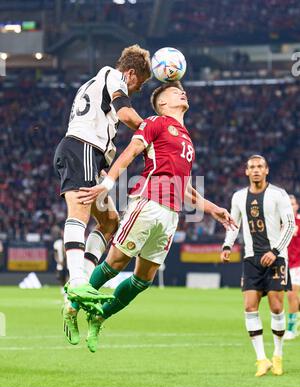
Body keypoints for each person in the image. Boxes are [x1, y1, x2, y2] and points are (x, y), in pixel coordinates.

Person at [69, 81, 237, 352]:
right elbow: (130, 153)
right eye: (174, 92)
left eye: (181, 91)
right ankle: (72, 304)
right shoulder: (155, 122)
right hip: (148, 203)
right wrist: (108, 184)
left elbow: (185, 189)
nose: (182, 92)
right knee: (115, 263)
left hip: (172, 214)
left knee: (143, 280)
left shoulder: (186, 138)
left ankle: (99, 316)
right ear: (162, 104)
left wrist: (213, 208)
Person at [53, 45, 152, 344]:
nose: (136, 89)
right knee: (80, 211)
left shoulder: (97, 82)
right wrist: (152, 128)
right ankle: (79, 281)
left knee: (110, 222)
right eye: (140, 83)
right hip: (83, 147)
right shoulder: (113, 76)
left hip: (91, 156)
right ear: (131, 72)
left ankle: (80, 281)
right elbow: (124, 112)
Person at [221, 155, 295, 377]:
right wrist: (227, 244)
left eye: (259, 167)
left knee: (275, 307)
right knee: (250, 307)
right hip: (252, 259)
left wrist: (275, 251)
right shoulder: (238, 197)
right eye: (252, 167)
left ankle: (278, 355)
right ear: (246, 171)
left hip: (276, 258)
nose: (255, 170)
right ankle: (261, 359)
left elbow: (290, 225)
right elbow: (233, 224)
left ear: (266, 170)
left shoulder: (278, 194)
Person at [284, 195, 300, 340]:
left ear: (297, 206)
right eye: (288, 203)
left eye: (293, 203)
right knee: (294, 297)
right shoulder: (281, 223)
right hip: (285, 264)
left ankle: (291, 329)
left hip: (298, 264)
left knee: (291, 294)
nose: (290, 205)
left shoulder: (299, 222)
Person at [53, 230, 69, 300]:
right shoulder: (57, 243)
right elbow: (55, 254)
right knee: (62, 280)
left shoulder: (69, 242)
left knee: (68, 279)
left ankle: (68, 294)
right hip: (60, 265)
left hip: (68, 265)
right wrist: (59, 261)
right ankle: (64, 295)